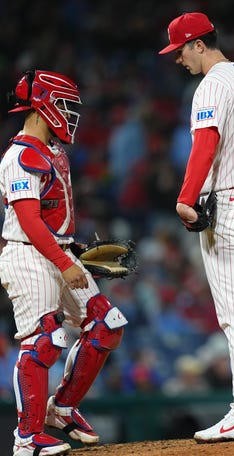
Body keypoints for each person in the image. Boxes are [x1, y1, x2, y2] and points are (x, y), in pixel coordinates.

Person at [158, 13, 234, 443]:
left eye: (179, 51)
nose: (177, 60)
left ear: (198, 44)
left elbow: (206, 144)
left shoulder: (211, 84)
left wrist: (186, 198)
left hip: (229, 201)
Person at [0, 70, 128, 456]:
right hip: (27, 253)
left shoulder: (53, 150)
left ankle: (64, 407)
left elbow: (52, 217)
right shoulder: (21, 155)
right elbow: (28, 220)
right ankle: (26, 439)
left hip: (58, 252)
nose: (71, 114)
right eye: (66, 106)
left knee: (107, 324)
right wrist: (65, 261)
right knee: (44, 339)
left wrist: (71, 251)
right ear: (44, 106)